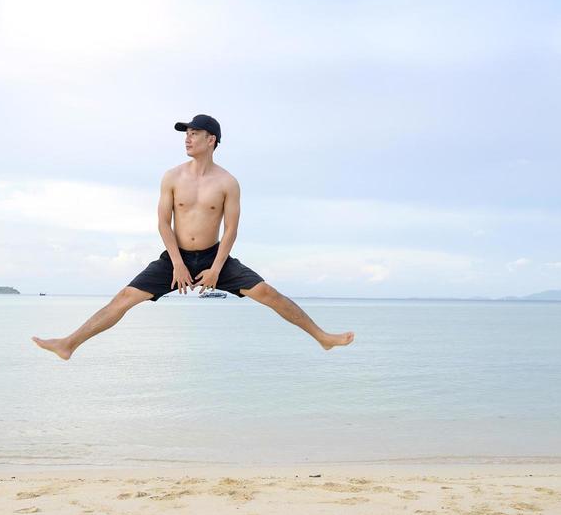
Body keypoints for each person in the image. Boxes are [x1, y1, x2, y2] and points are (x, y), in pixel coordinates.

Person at [32, 114, 355, 360]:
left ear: (211, 139)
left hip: (215, 257)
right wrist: (176, 263)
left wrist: (216, 268)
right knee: (123, 299)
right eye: (186, 134)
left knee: (268, 294)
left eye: (194, 134)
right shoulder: (172, 177)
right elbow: (163, 223)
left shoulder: (228, 182)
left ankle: (321, 336)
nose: (188, 139)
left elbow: (230, 229)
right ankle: (68, 344)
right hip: (176, 257)